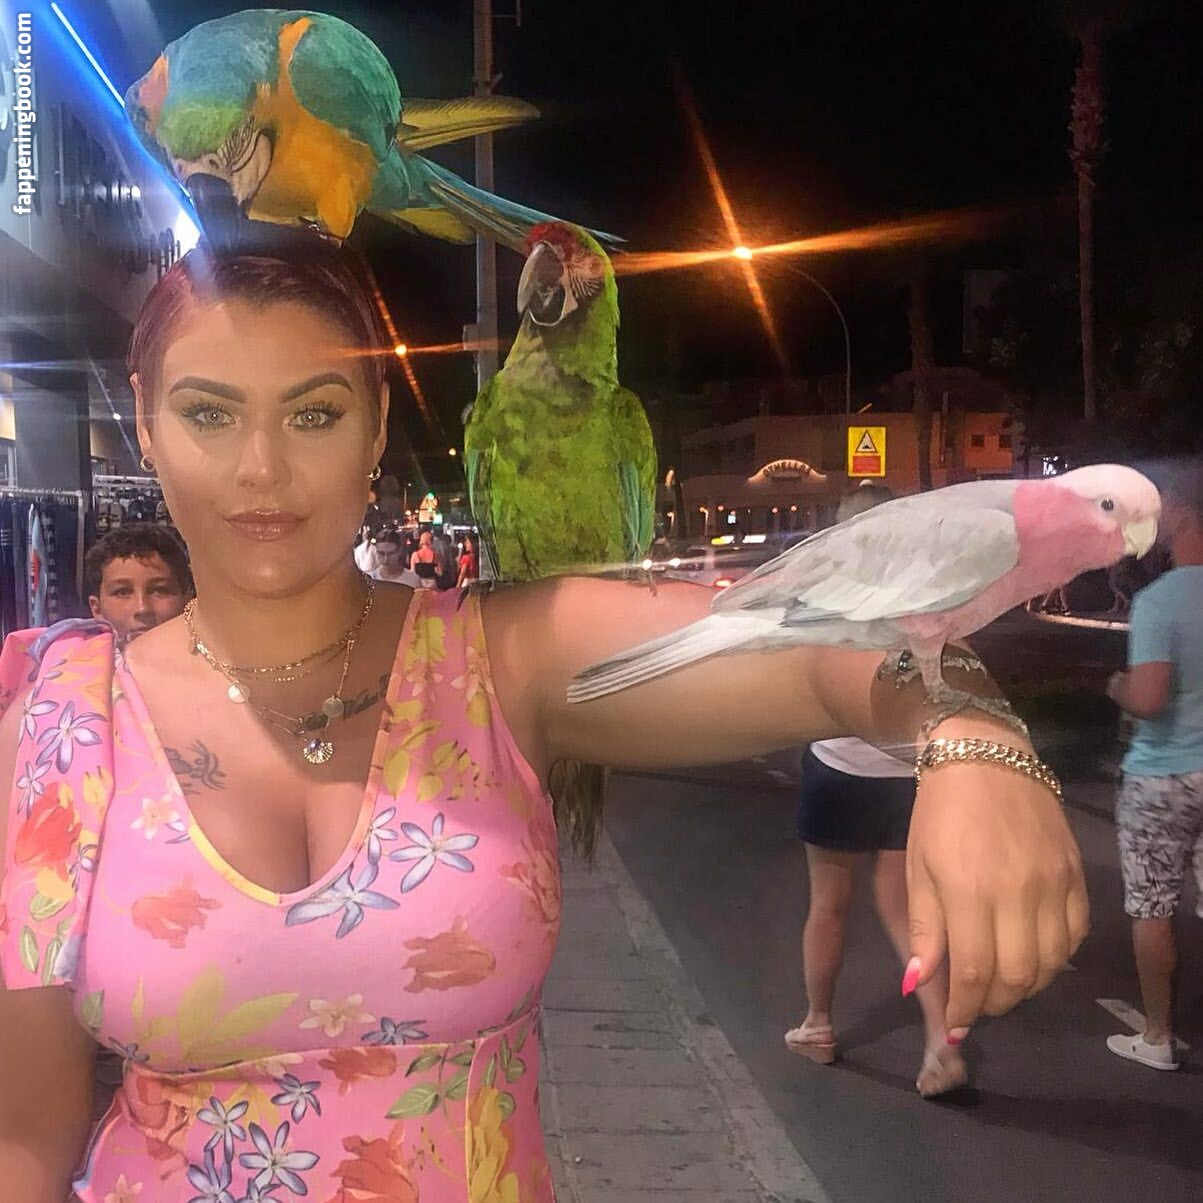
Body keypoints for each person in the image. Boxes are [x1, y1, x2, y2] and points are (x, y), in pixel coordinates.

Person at [0, 238, 1086, 1203]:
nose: (261, 468)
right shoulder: (61, 725)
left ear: (377, 426)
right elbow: (23, 1141)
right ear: (145, 422)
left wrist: (976, 744)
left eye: (314, 412)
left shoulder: (499, 657)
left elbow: (825, 650)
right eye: (208, 412)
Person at [785, 484, 966, 1097]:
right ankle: (940, 1040)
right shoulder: (933, 595)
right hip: (907, 772)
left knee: (828, 904)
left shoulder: (829, 597)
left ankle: (818, 1024)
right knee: (910, 910)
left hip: (838, 764)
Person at [1105, 463, 1203, 1071]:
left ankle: (1158, 1037)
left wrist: (1118, 686)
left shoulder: (1159, 601)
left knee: (1152, 906)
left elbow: (1149, 698)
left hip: (1162, 777)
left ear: (1186, 517)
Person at [84, 523, 193, 646]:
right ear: (97, 609)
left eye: (159, 590)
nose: (142, 609)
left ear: (188, 602)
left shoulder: (208, 656)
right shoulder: (73, 656)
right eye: (122, 592)